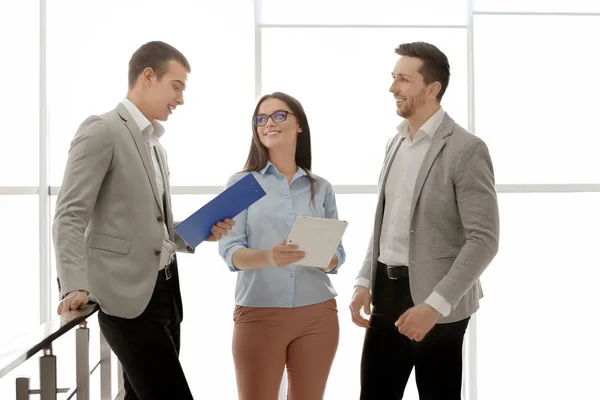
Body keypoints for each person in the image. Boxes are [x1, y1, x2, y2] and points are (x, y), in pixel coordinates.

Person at [53, 41, 234, 400]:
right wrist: (74, 284)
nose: (181, 99)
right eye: (177, 86)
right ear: (148, 77)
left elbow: (154, 225)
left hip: (166, 294)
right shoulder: (101, 130)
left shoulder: (155, 146)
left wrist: (198, 233)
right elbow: (69, 215)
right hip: (124, 299)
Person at [349, 41, 500, 399]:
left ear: (432, 89)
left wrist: (434, 305)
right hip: (385, 294)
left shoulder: (466, 148)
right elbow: (385, 223)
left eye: (403, 79)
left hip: (440, 302)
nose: (392, 88)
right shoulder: (395, 143)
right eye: (393, 78)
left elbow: (483, 239)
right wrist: (362, 280)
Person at [218, 92, 346, 400]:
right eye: (261, 119)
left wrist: (325, 258)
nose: (268, 124)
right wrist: (268, 256)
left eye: (278, 115)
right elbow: (230, 252)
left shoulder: (321, 188)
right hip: (259, 313)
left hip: (318, 312)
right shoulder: (241, 183)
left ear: (299, 124)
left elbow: (338, 255)